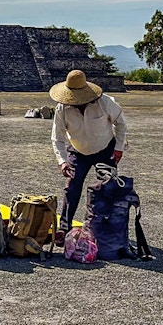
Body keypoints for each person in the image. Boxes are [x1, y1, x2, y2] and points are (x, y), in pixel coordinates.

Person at [49, 69, 127, 237]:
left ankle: (107, 229)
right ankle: (64, 227)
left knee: (108, 188)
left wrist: (119, 147)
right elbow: (57, 138)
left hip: (105, 150)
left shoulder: (105, 102)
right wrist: (62, 161)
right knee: (71, 189)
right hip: (78, 152)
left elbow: (120, 123)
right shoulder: (62, 108)